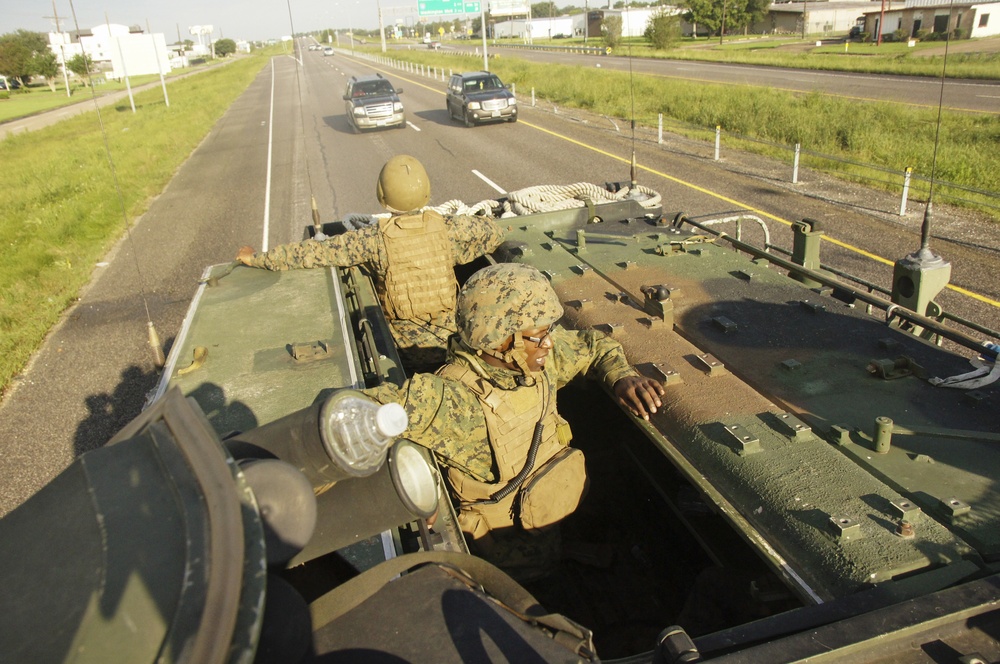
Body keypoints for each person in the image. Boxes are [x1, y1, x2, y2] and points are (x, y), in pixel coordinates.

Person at [363, 263, 665, 581]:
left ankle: (558, 559)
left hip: (547, 514)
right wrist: (414, 490)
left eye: (548, 331)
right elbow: (356, 419)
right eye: (537, 336)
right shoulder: (449, 399)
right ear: (498, 340)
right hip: (500, 562)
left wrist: (621, 375)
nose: (549, 343)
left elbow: (594, 345)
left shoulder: (536, 358)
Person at [236, 155, 505, 371]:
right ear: (426, 193)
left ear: (382, 196)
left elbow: (313, 253)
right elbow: (494, 232)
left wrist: (257, 257)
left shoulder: (372, 240)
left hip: (406, 357)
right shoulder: (449, 230)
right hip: (452, 348)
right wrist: (457, 252)